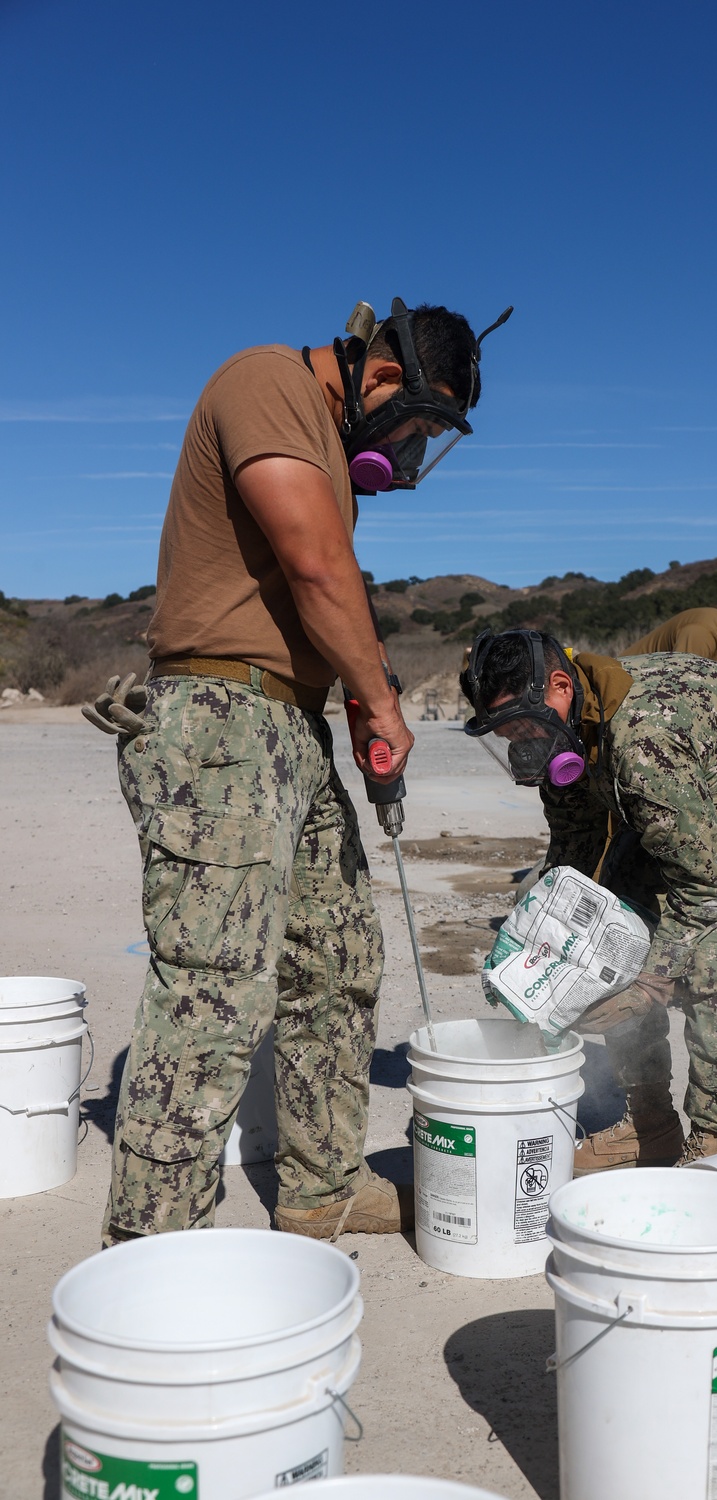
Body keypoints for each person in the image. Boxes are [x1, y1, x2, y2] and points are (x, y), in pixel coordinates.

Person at [87, 297, 510, 1246]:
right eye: (415, 431)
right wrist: (386, 702)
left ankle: (320, 1191)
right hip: (220, 722)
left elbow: (322, 603)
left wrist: (362, 692)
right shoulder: (269, 379)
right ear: (383, 373)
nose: (405, 464)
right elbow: (318, 567)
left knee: (337, 961)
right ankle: (151, 1247)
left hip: (288, 725)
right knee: (216, 984)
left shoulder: (327, 443)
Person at [460, 630, 717, 1167]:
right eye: (504, 733)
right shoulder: (563, 732)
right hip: (696, 796)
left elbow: (702, 890)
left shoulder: (643, 742)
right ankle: (649, 1125)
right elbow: (575, 857)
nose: (518, 743)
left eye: (522, 726)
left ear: (558, 687)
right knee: (612, 930)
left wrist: (650, 980)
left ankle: (712, 1143)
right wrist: (537, 940)